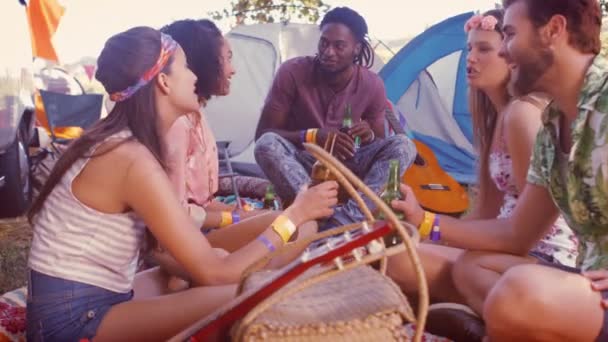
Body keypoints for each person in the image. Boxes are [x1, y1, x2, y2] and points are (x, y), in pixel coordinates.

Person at [25, 26, 338, 341]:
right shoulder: (131, 158)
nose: (194, 77)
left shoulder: (122, 143)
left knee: (218, 276)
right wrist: (294, 215)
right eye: (186, 67)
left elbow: (183, 252)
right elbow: (216, 275)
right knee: (250, 295)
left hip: (91, 300)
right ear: (163, 81)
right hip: (72, 323)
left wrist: (221, 248)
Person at [392, 0, 608, 340]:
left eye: (508, 35)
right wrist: (425, 222)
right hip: (585, 284)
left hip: (574, 281)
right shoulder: (553, 126)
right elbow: (517, 234)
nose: (505, 53)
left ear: (553, 30)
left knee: (518, 293)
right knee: (483, 272)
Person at [254, 6, 416, 228]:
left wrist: (368, 136)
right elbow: (264, 134)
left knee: (404, 145)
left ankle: (343, 222)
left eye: (339, 46)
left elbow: (380, 144)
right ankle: (316, 212)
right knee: (266, 145)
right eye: (324, 43)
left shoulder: (372, 84)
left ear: (356, 49)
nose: (329, 51)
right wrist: (313, 136)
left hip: (350, 164)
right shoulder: (292, 72)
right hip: (305, 162)